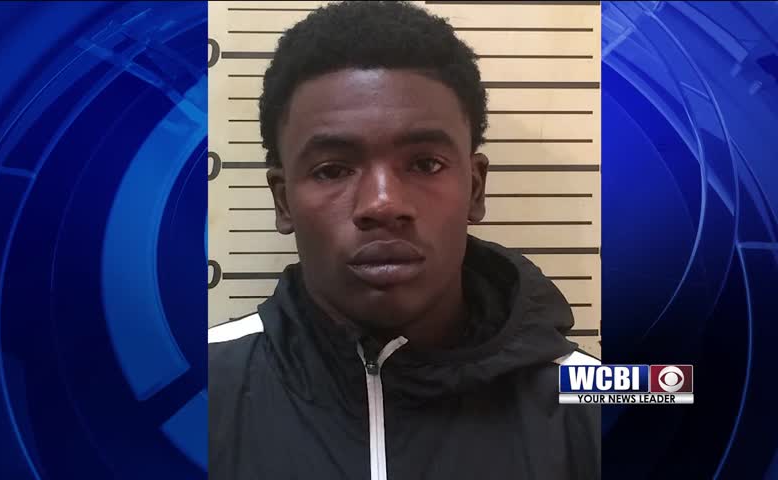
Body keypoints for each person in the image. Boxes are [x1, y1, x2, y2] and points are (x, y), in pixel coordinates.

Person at [208, 2, 600, 479]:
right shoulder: (203, 389)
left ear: (475, 189)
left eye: (425, 164)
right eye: (332, 170)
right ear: (283, 201)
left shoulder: (594, 405)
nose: (383, 203)